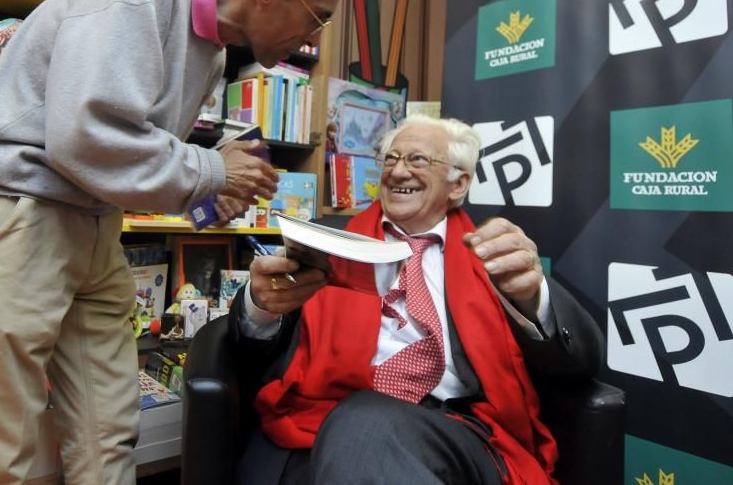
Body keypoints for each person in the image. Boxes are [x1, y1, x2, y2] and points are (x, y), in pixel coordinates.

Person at [0, 0, 350, 485]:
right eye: (318, 17)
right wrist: (210, 172)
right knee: (0, 447)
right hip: (14, 209)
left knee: (108, 430)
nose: (312, 40)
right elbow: (86, 135)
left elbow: (130, 160)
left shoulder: (208, 48)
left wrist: (211, 196)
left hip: (93, 223)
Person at [231, 114, 604, 485]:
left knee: (366, 423)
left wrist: (532, 296)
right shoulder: (326, 242)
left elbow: (581, 362)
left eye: (418, 160)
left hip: (456, 429)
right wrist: (261, 306)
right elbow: (253, 351)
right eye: (390, 159)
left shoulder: (494, 256)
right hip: (325, 414)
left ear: (458, 184)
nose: (397, 172)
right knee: (363, 421)